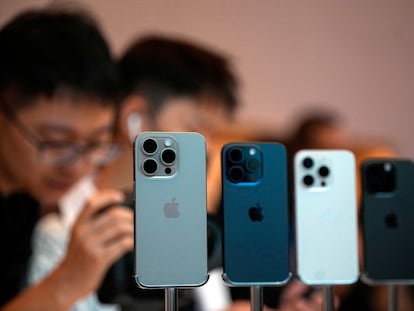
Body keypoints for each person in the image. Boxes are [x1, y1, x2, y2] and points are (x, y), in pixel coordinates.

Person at [0, 7, 134, 311]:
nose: (77, 165)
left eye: (97, 143)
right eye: (58, 142)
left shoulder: (26, 203)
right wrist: (65, 285)